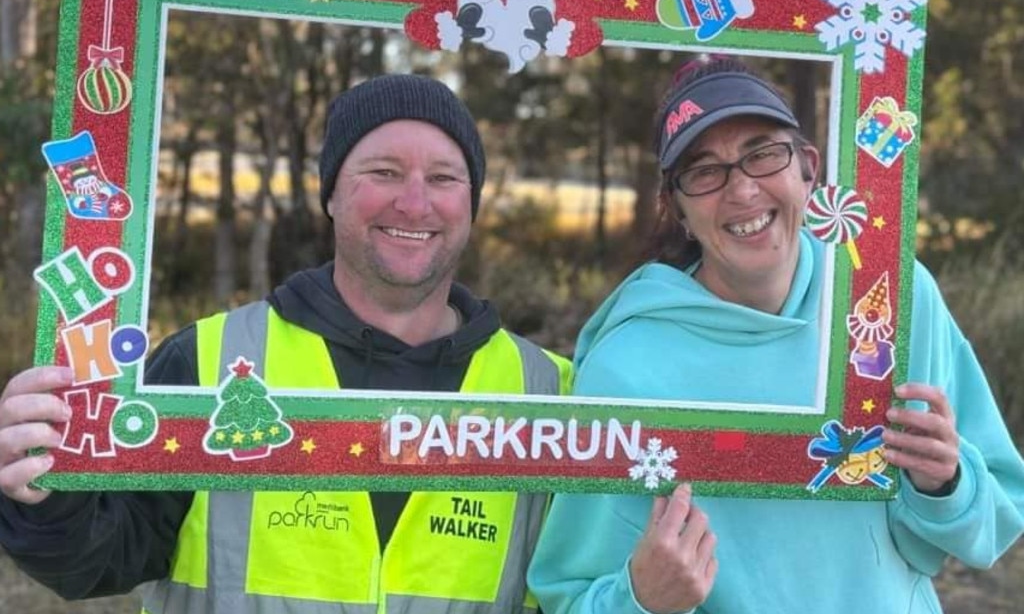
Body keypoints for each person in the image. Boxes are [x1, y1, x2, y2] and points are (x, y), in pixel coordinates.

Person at [0, 73, 572, 613]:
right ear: (330, 195)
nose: (415, 203)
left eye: (445, 178)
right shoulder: (206, 360)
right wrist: (43, 491)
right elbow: (92, 560)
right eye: (384, 172)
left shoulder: (552, 392)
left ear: (471, 202)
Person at [526, 57, 1024, 613]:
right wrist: (639, 600)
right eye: (704, 171)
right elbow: (570, 595)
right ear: (678, 210)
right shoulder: (627, 366)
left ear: (807, 168)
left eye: (763, 154)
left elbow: (996, 518)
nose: (741, 191)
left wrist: (947, 483)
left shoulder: (889, 296)